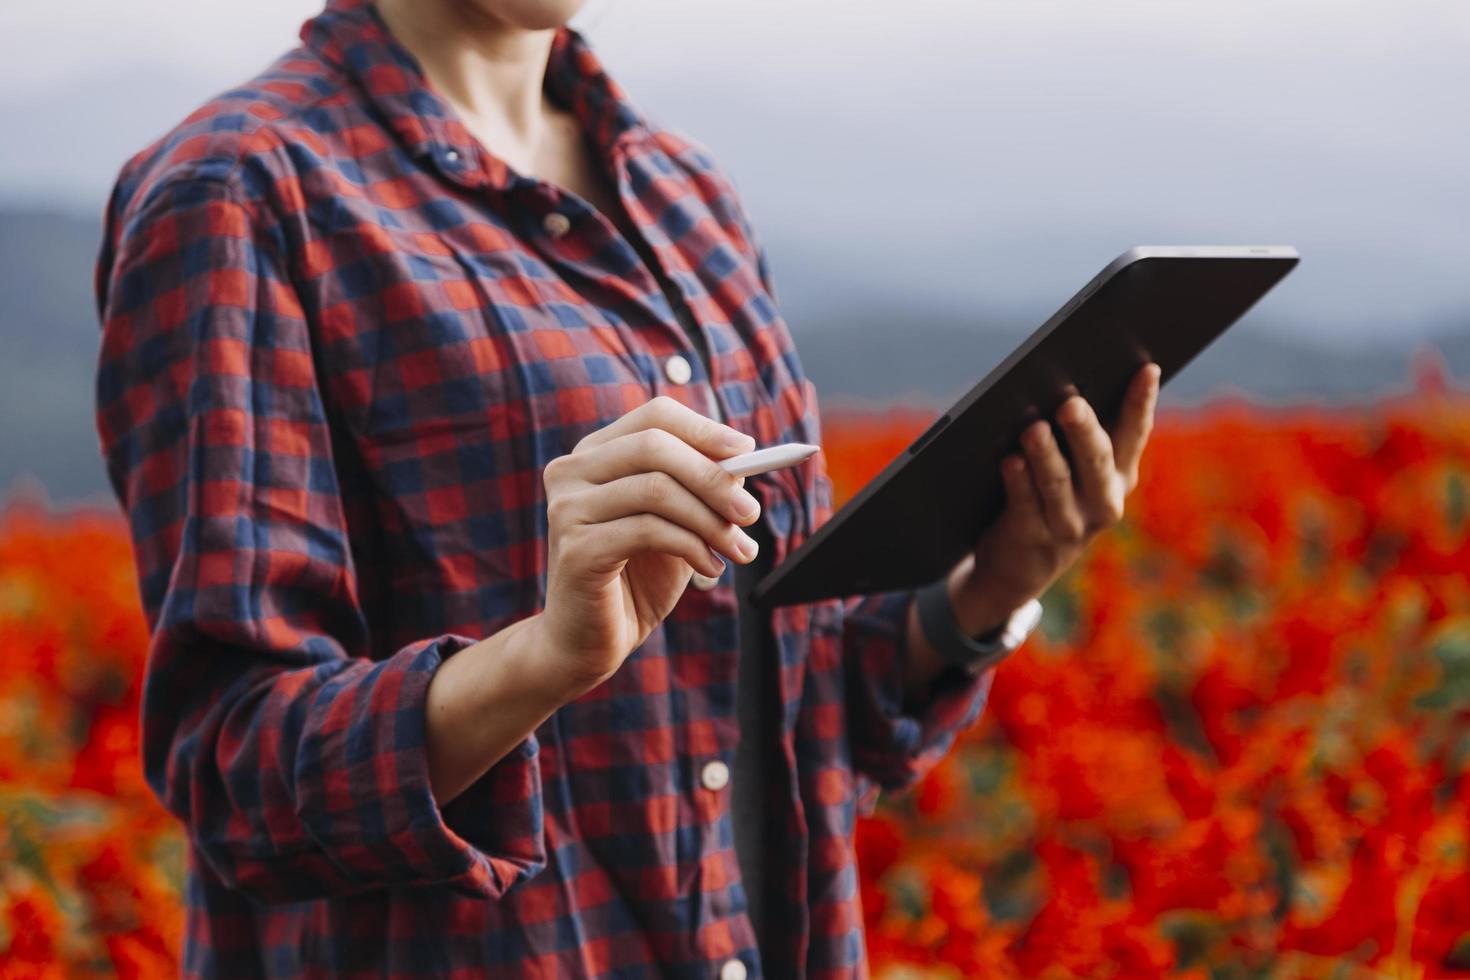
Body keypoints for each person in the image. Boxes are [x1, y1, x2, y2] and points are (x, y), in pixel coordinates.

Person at [92, 0, 1161, 976]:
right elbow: (235, 772)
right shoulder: (238, 194)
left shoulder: (685, 192)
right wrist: (544, 656)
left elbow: (789, 708)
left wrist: (990, 584)